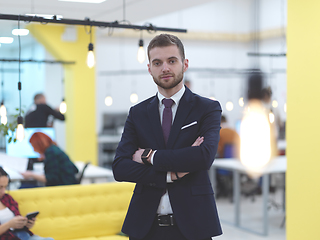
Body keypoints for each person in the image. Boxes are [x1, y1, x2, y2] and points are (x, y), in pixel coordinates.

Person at [112, 34, 222, 240]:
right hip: (146, 225)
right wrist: (169, 175)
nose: (165, 68)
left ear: (184, 64)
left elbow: (204, 157)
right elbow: (120, 167)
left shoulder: (207, 108)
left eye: (172, 61)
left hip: (194, 225)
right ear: (149, 68)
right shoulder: (138, 113)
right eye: (157, 62)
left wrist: (149, 157)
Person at [0, 167, 54, 240]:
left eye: (6, 187)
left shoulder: (7, 198)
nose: (3, 191)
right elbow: (10, 224)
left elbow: (17, 220)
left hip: (23, 235)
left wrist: (26, 224)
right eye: (0, 187)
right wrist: (8, 225)